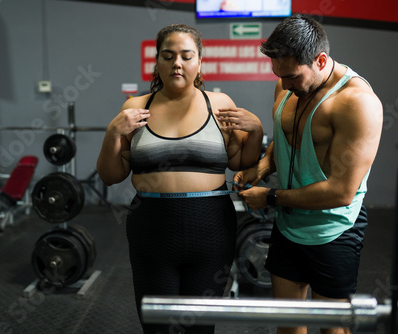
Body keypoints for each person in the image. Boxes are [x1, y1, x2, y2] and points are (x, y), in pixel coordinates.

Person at [96, 23, 263, 334]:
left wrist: (256, 131)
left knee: (201, 328)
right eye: (168, 55)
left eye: (187, 56)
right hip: (152, 229)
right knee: (158, 328)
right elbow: (110, 175)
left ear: (199, 62)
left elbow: (242, 161)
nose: (177, 63)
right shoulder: (136, 108)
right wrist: (112, 132)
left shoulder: (220, 103)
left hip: (211, 230)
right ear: (156, 63)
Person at [223, 14, 383, 334]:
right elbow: (284, 143)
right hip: (288, 225)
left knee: (332, 329)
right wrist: (263, 167)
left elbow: (341, 191)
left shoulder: (356, 103)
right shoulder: (286, 87)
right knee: (288, 325)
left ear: (320, 60)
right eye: (279, 74)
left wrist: (268, 197)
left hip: (333, 230)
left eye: (293, 76)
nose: (284, 84)